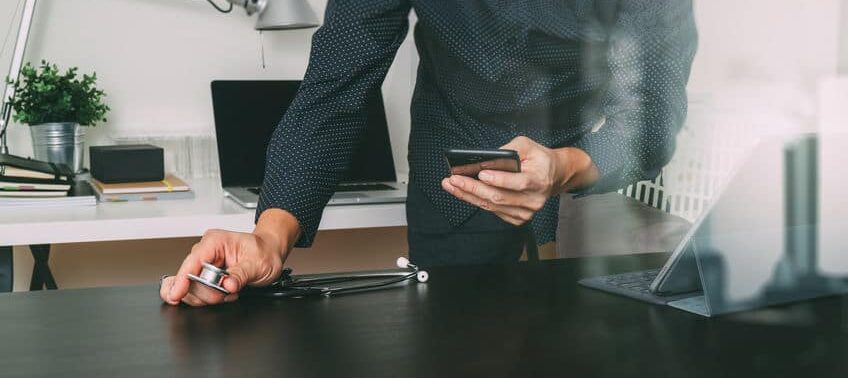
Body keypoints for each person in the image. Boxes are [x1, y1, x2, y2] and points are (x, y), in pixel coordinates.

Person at [160, 0, 697, 307]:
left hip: (600, 180)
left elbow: (652, 114)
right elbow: (337, 85)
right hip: (458, 179)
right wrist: (268, 237)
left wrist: (567, 167)